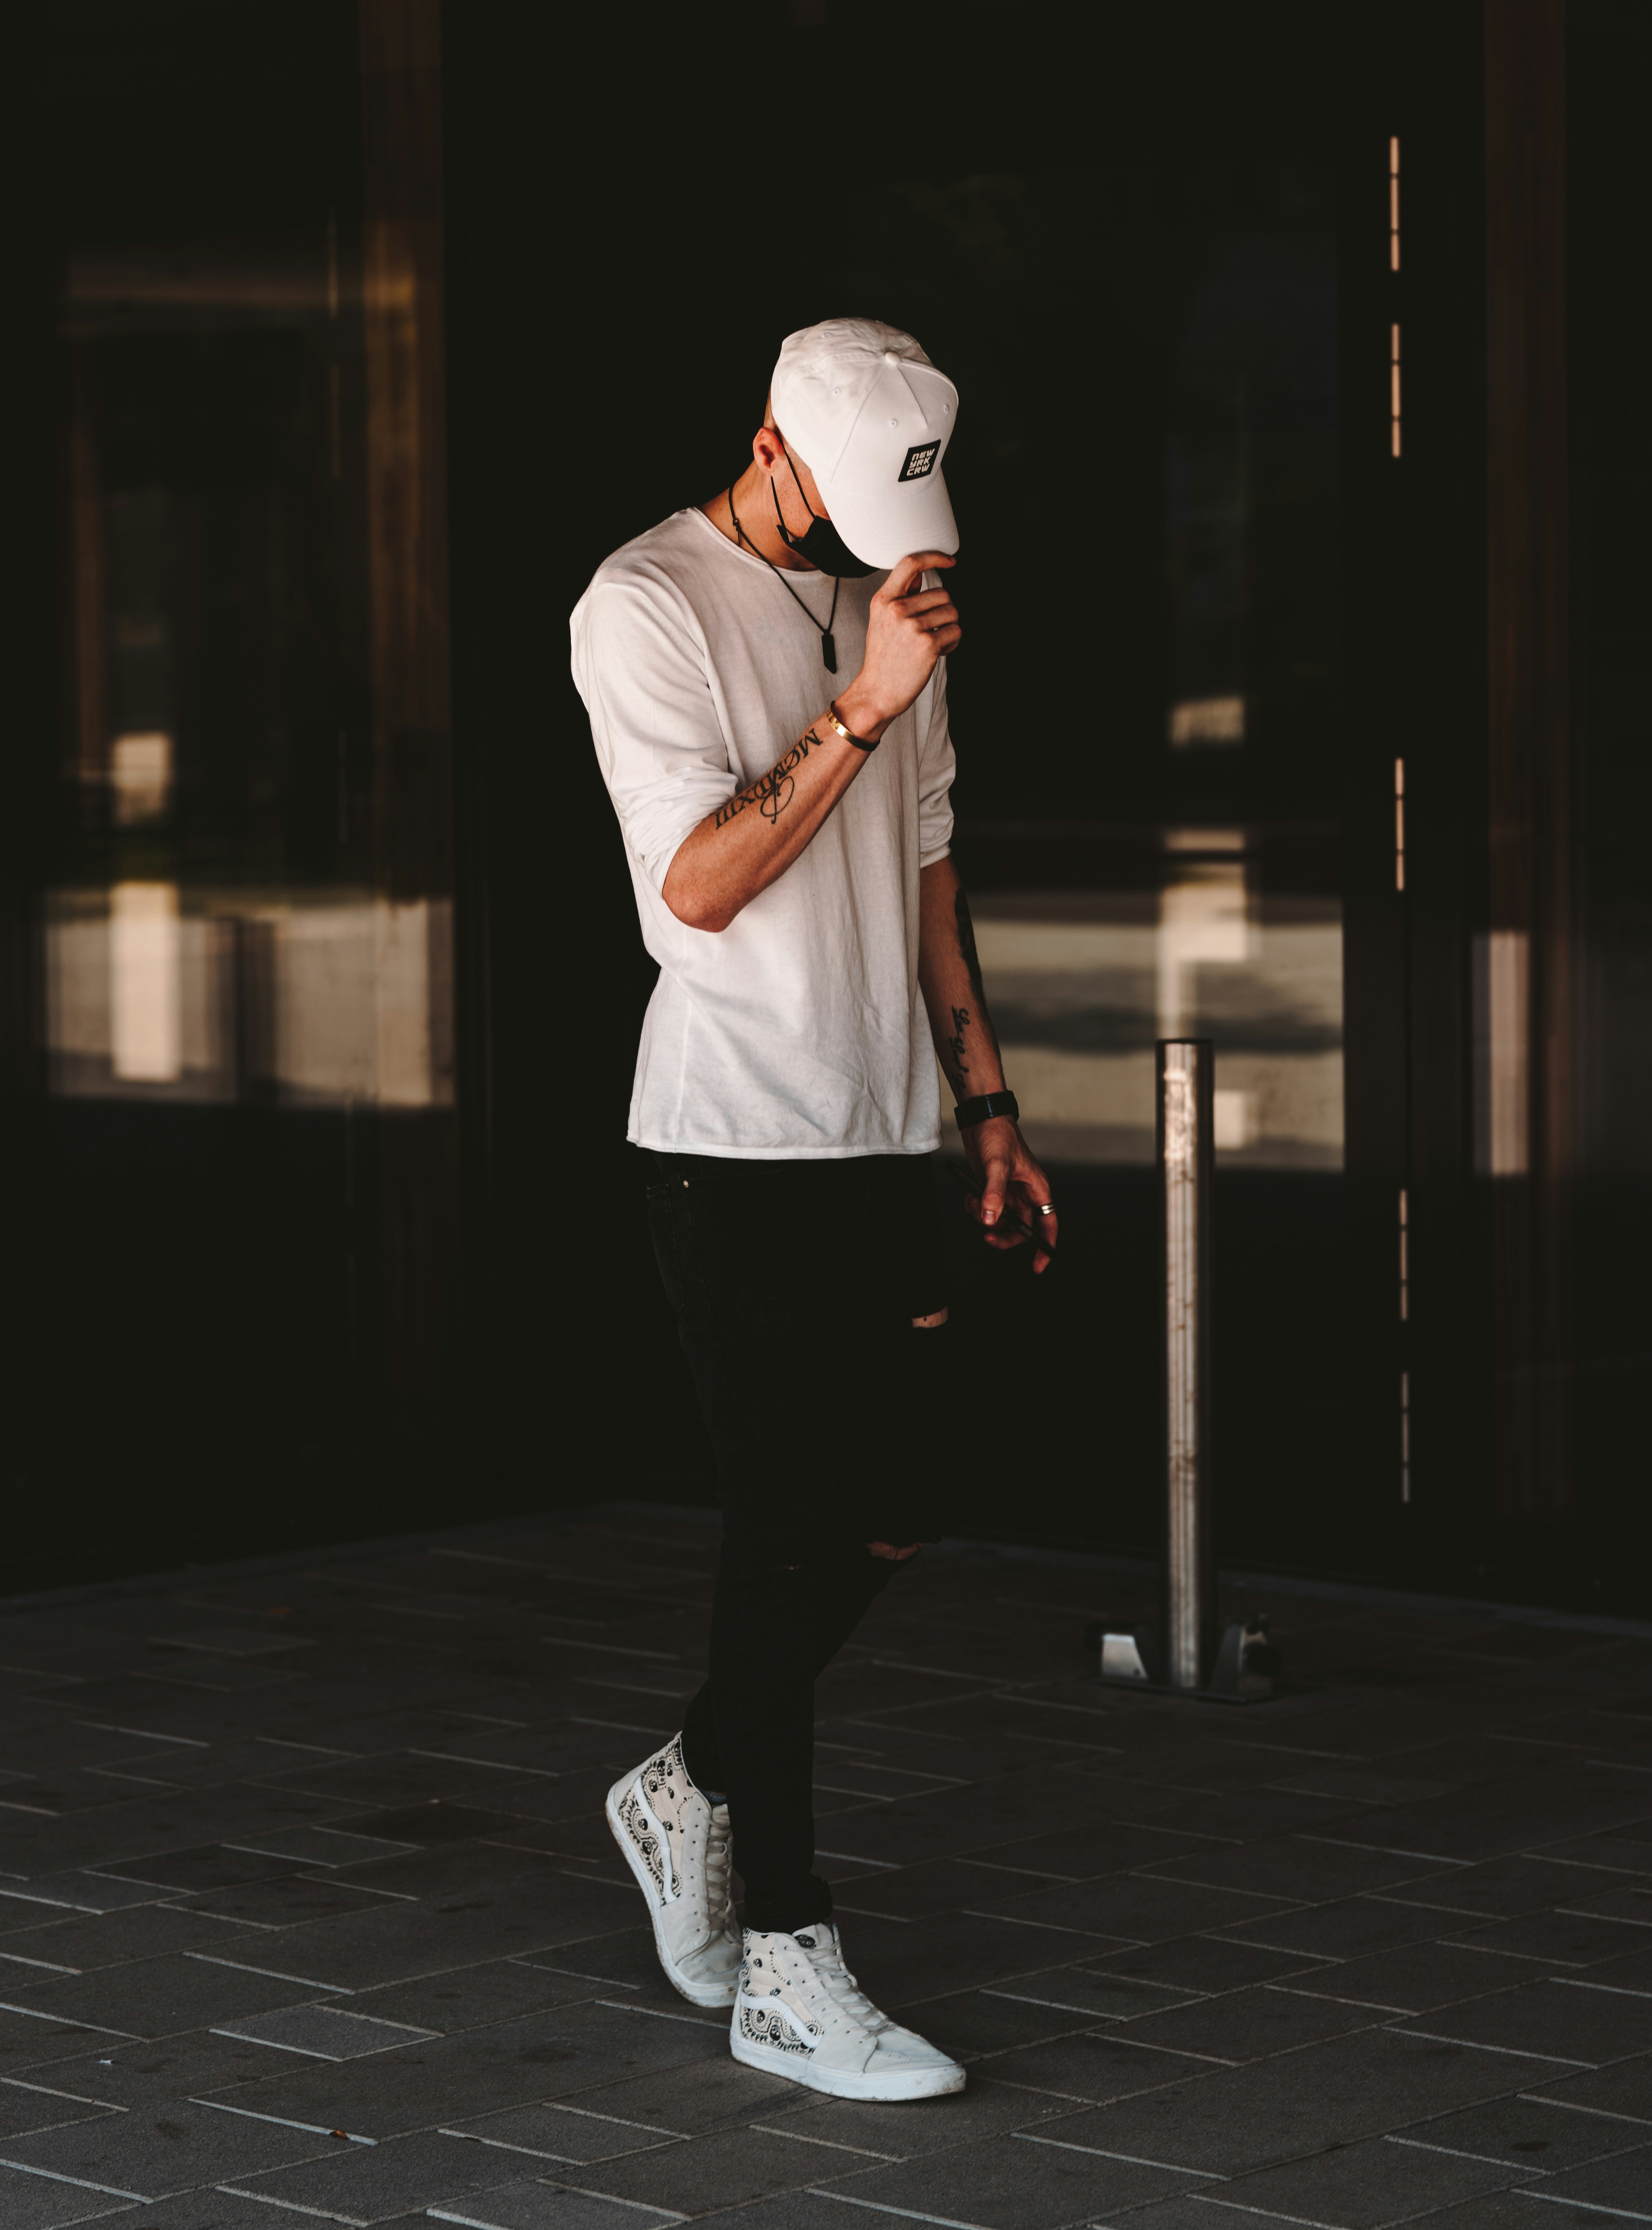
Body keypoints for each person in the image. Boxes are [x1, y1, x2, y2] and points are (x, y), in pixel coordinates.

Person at [570, 318, 1057, 2102]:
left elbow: (929, 886)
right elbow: (696, 885)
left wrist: (986, 1102)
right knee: (785, 1526)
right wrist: (860, 701)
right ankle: (788, 1952)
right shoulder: (644, 603)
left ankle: (693, 1773)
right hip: (731, 1141)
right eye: (844, 509)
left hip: (887, 1134)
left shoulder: (894, 588)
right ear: (770, 444)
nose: (874, 551)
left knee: (904, 1506)